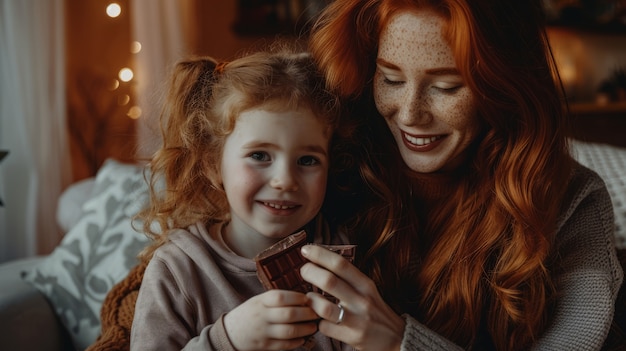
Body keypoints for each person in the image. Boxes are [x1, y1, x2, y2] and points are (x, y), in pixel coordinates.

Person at [296, 0, 624, 350]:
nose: (409, 115)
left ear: (505, 85)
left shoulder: (575, 199)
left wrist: (398, 342)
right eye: (390, 78)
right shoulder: (328, 168)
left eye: (446, 87)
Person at [129, 46, 353, 351]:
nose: (285, 180)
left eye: (308, 160)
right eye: (259, 155)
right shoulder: (178, 271)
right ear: (212, 165)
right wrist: (228, 340)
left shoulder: (339, 254)